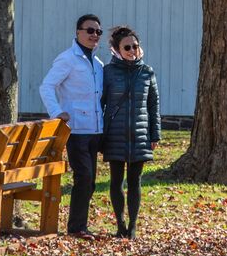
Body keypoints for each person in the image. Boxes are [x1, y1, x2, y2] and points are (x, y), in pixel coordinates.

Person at [39, 14, 105, 239]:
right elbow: (46, 86)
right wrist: (57, 113)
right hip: (76, 130)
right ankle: (76, 227)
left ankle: (80, 225)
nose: (94, 35)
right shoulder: (67, 59)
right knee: (84, 176)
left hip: (95, 130)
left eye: (98, 32)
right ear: (78, 32)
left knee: (91, 181)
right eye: (89, 30)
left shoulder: (98, 64)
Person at [100, 26, 160, 240]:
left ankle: (132, 227)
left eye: (135, 46)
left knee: (135, 181)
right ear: (117, 49)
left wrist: (155, 135)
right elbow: (101, 103)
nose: (132, 50)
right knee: (116, 181)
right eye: (127, 47)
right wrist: (100, 134)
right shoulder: (107, 72)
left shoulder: (147, 72)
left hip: (140, 134)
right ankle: (120, 224)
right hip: (115, 135)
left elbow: (153, 105)